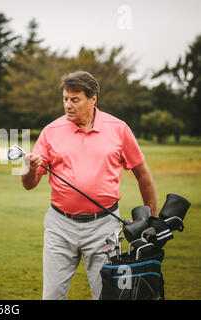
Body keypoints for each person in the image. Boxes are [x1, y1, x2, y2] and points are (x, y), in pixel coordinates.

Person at [21, 71, 157, 300]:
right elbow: (29, 184)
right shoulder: (50, 131)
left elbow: (142, 174)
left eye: (75, 99)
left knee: (106, 295)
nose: (68, 105)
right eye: (65, 99)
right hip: (60, 226)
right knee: (51, 296)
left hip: (104, 226)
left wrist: (152, 218)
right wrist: (29, 167)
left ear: (93, 99)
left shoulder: (118, 129)